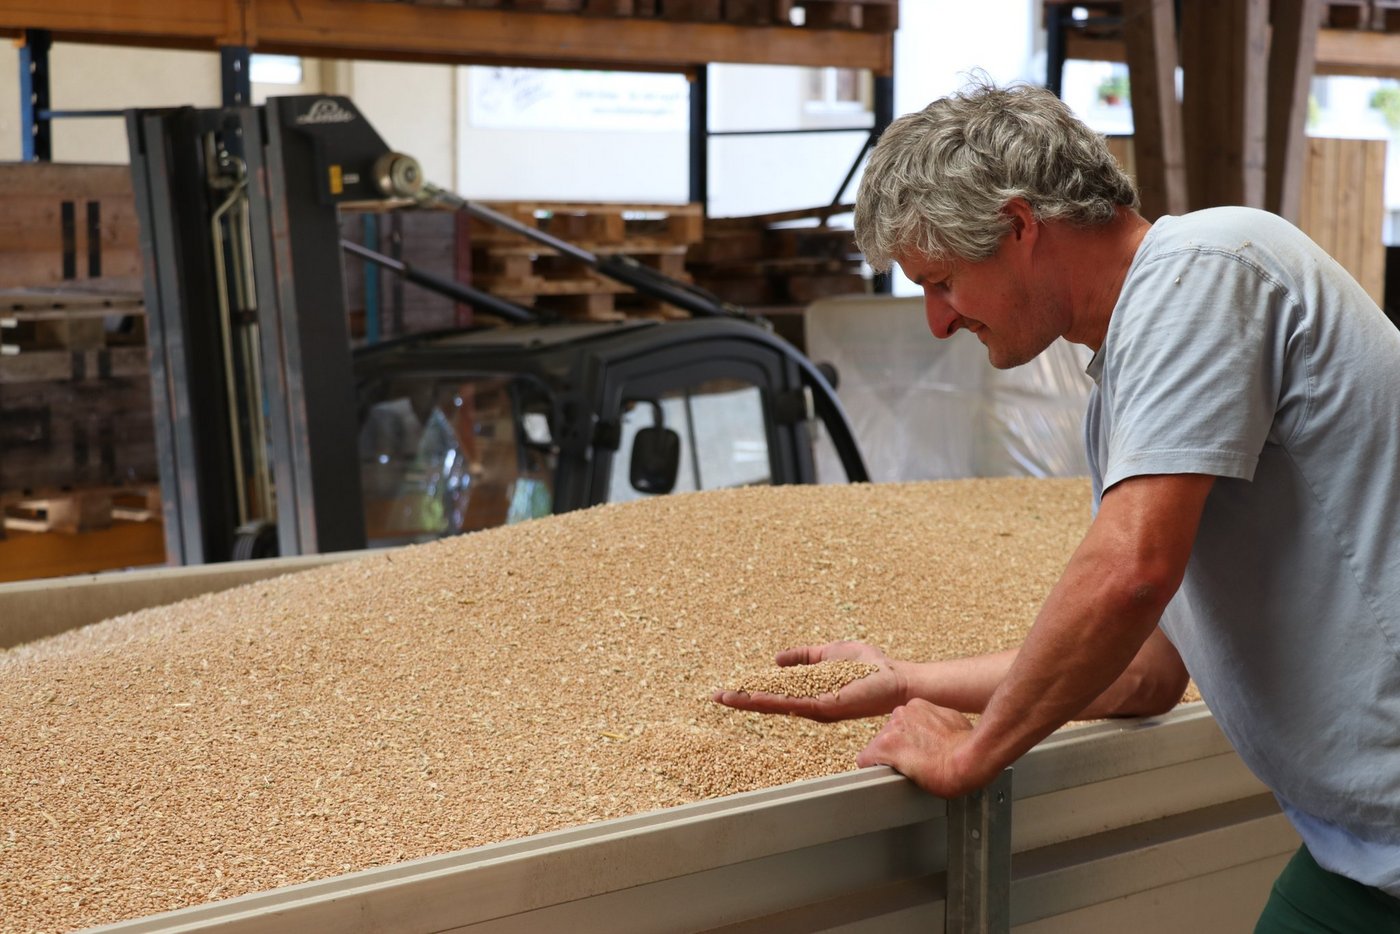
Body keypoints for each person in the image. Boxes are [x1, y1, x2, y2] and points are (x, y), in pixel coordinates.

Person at [712, 78, 1400, 931]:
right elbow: (1146, 669)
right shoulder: (1126, 389)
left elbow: (1131, 576)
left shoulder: (1205, 272)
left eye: (941, 281)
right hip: (1361, 854)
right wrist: (904, 681)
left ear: (1018, 226)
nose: (936, 321)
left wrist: (976, 754)